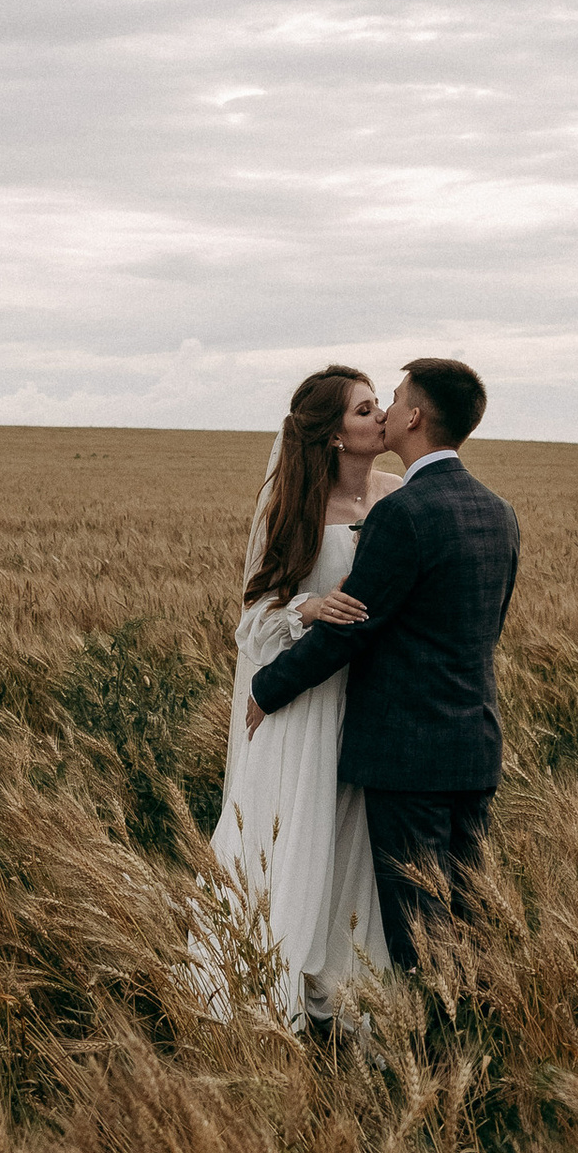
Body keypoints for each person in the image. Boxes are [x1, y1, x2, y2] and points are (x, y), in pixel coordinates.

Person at [246, 358, 518, 976]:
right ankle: (480, 1027)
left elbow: (355, 627)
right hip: (474, 745)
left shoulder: (401, 511)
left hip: (407, 752)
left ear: (414, 417)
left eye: (392, 399)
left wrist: (268, 687)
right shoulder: (498, 511)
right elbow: (485, 629)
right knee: (471, 918)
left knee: (419, 933)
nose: (387, 411)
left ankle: (439, 1033)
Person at [200, 366, 390, 1028]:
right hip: (309, 708)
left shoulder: (397, 498)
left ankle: (345, 994)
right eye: (364, 410)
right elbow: (252, 624)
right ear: (334, 436)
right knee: (300, 842)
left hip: (370, 701)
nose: (380, 416)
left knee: (354, 847)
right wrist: (308, 607)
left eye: (378, 404)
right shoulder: (295, 509)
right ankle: (272, 994)